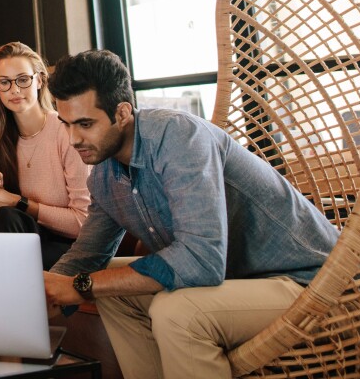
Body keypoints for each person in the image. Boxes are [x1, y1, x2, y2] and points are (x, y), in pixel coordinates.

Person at [40, 50, 340, 379]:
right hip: (234, 280)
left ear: (122, 112)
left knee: (178, 311)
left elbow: (201, 259)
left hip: (311, 281)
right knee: (113, 285)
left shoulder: (178, 137)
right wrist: (39, 293)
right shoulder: (104, 175)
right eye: (66, 124)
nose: (73, 139)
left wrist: (82, 285)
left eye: (85, 124)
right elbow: (87, 256)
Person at [0, 41, 91, 269]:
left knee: (6, 221)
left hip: (70, 247)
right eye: (4, 82)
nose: (14, 90)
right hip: (22, 242)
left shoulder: (66, 131)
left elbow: (82, 222)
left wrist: (17, 203)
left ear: (40, 80)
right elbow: (10, 217)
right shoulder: (0, 138)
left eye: (23, 80)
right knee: (4, 220)